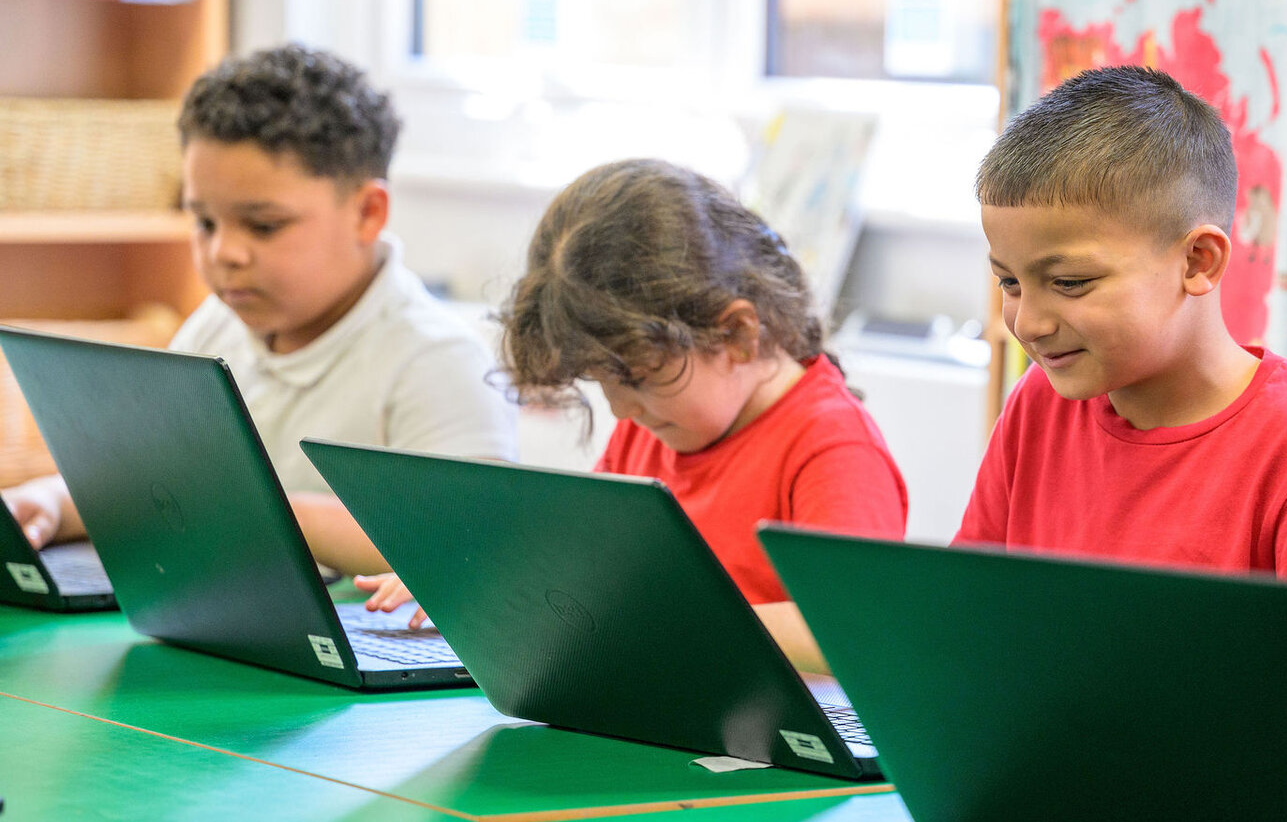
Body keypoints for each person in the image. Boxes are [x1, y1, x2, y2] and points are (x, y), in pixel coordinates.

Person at [359, 159, 906, 672]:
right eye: (602, 381)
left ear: (738, 335)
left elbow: (851, 632)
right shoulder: (650, 430)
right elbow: (585, 569)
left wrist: (656, 624)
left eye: (638, 378)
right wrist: (481, 582)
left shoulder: (832, 446)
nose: (620, 408)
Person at [2, 44, 516, 576]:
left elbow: (475, 546)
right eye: (205, 222)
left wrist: (264, 513)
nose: (224, 252)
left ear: (367, 213)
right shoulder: (216, 326)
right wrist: (53, 502)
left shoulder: (437, 361)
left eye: (264, 225)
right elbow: (150, 481)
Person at [954, 66, 1287, 618]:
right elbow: (968, 612)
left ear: (1197, 262)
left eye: (1069, 283)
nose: (1028, 324)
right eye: (1009, 283)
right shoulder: (1037, 406)